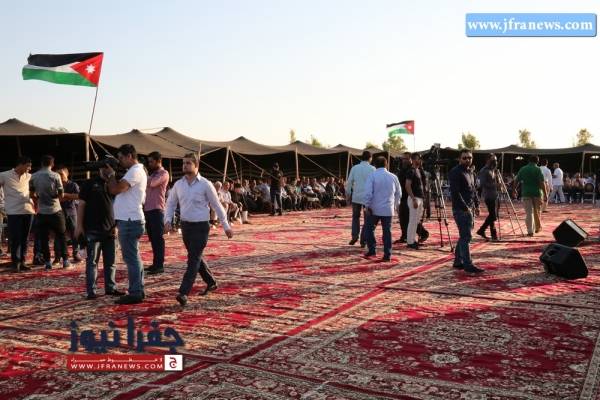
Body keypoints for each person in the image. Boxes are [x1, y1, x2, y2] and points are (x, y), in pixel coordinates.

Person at [165, 153, 233, 307]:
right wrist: (167, 220)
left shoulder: (205, 184)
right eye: (183, 163)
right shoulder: (178, 185)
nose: (185, 166)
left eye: (188, 163)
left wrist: (226, 226)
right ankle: (211, 282)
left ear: (196, 165)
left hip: (201, 226)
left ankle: (183, 292)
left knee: (193, 259)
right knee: (195, 256)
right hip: (186, 226)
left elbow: (216, 205)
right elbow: (170, 204)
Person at [105, 144, 147, 305]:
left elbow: (115, 189)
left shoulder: (135, 171)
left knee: (131, 259)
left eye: (121, 157)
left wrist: (111, 175)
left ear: (130, 156)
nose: (120, 161)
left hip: (130, 220)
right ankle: (138, 289)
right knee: (134, 257)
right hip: (131, 219)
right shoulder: (134, 171)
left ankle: (135, 292)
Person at [75, 167, 124, 299]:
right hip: (92, 229)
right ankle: (91, 291)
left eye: (109, 167)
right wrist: (79, 226)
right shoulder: (89, 183)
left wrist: (117, 225)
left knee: (111, 262)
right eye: (104, 167)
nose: (106, 170)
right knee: (92, 262)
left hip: (110, 229)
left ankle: (111, 288)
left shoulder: (115, 185)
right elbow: (81, 205)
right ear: (100, 169)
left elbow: (119, 206)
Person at [29, 155, 71, 270]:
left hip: (42, 211)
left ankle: (47, 262)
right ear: (52, 164)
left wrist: (39, 199)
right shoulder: (55, 175)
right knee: (61, 236)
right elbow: (61, 194)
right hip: (55, 210)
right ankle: (65, 261)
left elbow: (32, 194)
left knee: (44, 238)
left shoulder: (33, 176)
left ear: (41, 163)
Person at [448, 149, 482, 273]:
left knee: (464, 236)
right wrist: (465, 207)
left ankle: (458, 261)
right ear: (459, 159)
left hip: (470, 208)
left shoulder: (471, 172)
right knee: (466, 237)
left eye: (469, 157)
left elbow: (473, 190)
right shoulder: (455, 172)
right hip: (461, 210)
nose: (467, 160)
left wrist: (477, 205)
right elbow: (455, 193)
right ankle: (468, 264)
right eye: (464, 158)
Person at [363, 156, 401, 262]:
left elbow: (368, 193)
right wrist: (395, 206)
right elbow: (399, 193)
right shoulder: (393, 177)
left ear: (375, 165)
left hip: (374, 208)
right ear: (386, 164)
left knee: (369, 229)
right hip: (388, 209)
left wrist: (367, 205)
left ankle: (372, 249)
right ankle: (387, 254)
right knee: (387, 232)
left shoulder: (372, 176)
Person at [0, 157, 35, 271]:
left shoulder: (29, 176)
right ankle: (15, 263)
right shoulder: (4, 175)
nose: (30, 168)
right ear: (20, 164)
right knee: (15, 238)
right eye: (28, 166)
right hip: (13, 211)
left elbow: (33, 191)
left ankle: (22, 261)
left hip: (28, 210)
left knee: (25, 238)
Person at [144, 152, 169, 275]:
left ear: (159, 161)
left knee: (158, 239)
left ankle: (159, 265)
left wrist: (143, 174)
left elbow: (152, 183)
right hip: (148, 209)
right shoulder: (152, 174)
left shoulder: (164, 173)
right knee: (153, 239)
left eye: (151, 162)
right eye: (149, 162)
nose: (149, 164)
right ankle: (155, 264)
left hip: (157, 210)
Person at [345, 150, 375, 247]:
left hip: (356, 196)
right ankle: (363, 240)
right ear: (370, 158)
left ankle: (354, 235)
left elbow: (349, 182)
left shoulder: (355, 168)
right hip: (368, 198)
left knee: (355, 217)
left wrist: (348, 194)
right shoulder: (372, 169)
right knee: (367, 219)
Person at [515, 155, 547, 237]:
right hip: (537, 193)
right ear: (537, 161)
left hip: (526, 193)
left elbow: (517, 180)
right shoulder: (538, 169)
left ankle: (530, 231)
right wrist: (545, 194)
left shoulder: (523, 169)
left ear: (529, 160)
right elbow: (542, 182)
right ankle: (537, 227)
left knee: (529, 213)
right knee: (537, 212)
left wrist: (514, 189)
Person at [55, 166, 81, 263]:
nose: (59, 176)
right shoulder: (55, 185)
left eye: (61, 174)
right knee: (59, 234)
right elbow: (56, 198)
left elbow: (78, 196)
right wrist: (68, 197)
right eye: (57, 174)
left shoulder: (73, 185)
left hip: (71, 211)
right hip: (58, 212)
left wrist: (65, 195)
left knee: (74, 233)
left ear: (67, 174)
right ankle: (58, 256)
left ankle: (76, 253)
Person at [476, 154, 499, 241]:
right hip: (488, 196)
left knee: (492, 215)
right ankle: (481, 230)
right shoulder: (484, 171)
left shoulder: (493, 170)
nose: (495, 162)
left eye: (496, 160)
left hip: (494, 194)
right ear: (488, 160)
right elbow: (482, 184)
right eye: (493, 160)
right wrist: (495, 184)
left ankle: (494, 234)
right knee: (493, 216)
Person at [405, 153, 425, 250]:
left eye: (420, 159)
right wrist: (413, 199)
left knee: (416, 221)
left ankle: (413, 240)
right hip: (414, 198)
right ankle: (410, 241)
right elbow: (407, 186)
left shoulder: (419, 170)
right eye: (417, 159)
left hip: (420, 198)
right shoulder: (411, 171)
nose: (419, 160)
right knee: (412, 220)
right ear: (413, 160)